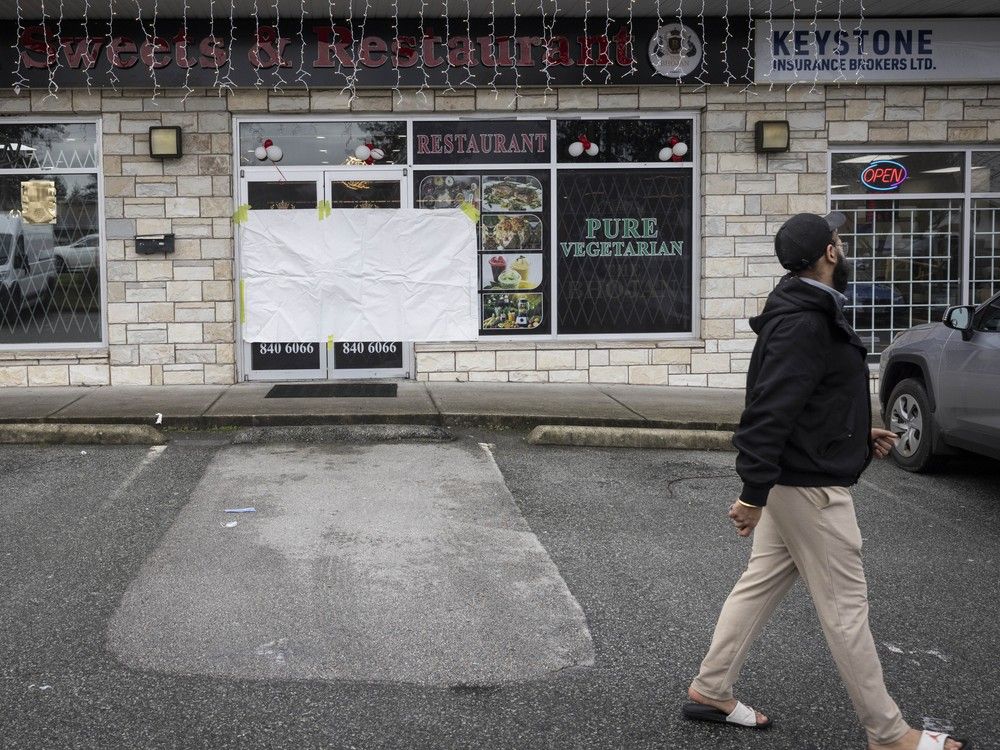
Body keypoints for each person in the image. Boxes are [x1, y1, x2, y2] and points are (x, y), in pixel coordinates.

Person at [681, 212, 970, 750]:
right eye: (838, 240)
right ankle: (888, 734)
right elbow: (769, 411)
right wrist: (751, 492)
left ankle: (711, 689)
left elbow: (812, 399)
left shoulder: (807, 310)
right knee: (845, 609)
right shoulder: (805, 322)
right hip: (808, 491)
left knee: (760, 583)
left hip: (798, 480)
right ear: (830, 253)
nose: (842, 245)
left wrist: (857, 434)